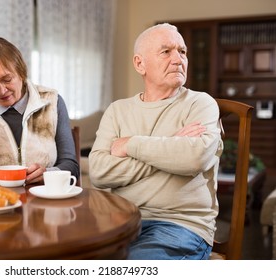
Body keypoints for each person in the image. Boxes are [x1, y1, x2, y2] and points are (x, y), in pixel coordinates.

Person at [88, 23, 223, 260]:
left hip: (180, 226)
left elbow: (194, 158)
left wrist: (131, 145)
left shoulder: (201, 104)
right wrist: (171, 146)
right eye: (166, 51)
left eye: (182, 51)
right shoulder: (118, 110)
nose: (178, 59)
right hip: (120, 221)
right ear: (140, 64)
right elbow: (99, 173)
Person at [0, 37, 79, 184]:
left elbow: (71, 166)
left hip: (41, 201)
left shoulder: (52, 101)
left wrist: (47, 174)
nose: (2, 90)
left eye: (7, 79)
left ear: (22, 73)